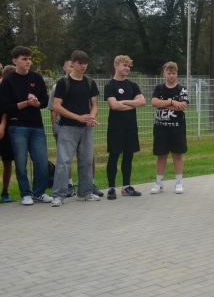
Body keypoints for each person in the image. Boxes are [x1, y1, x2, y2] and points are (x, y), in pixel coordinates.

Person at [0, 46, 53, 205]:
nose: (28, 62)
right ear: (14, 61)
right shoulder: (8, 81)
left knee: (41, 161)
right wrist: (24, 103)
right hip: (17, 127)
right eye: (24, 59)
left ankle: (39, 192)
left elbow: (45, 101)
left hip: (36, 126)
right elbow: (5, 107)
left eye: (29, 59)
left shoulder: (37, 78)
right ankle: (25, 193)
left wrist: (37, 103)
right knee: (21, 163)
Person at [51, 50, 100, 206]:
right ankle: (58, 195)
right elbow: (56, 106)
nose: (83, 66)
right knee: (64, 162)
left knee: (86, 161)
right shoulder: (63, 83)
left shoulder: (90, 82)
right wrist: (78, 117)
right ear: (72, 64)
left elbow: (94, 105)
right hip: (67, 128)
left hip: (86, 129)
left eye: (85, 63)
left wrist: (92, 117)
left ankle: (85, 192)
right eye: (80, 63)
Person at [104, 55, 146, 199]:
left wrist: (124, 103)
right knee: (114, 156)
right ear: (116, 65)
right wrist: (132, 104)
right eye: (124, 65)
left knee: (128, 156)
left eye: (129, 66)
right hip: (116, 128)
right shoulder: (110, 86)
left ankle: (126, 187)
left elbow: (142, 102)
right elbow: (114, 105)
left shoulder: (133, 85)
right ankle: (111, 188)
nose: (127, 68)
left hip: (130, 127)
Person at [150, 62, 189, 194]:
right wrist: (172, 102)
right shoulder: (159, 88)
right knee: (161, 155)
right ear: (164, 74)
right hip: (161, 128)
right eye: (169, 73)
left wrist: (163, 104)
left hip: (177, 128)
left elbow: (182, 106)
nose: (171, 75)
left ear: (177, 74)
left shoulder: (182, 89)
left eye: (174, 73)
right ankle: (158, 183)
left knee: (177, 155)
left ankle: (179, 183)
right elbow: (154, 102)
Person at [0, 65, 14, 202]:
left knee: (7, 161)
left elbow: (5, 111)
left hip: (6, 130)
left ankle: (5, 192)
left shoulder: (10, 91)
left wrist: (3, 125)